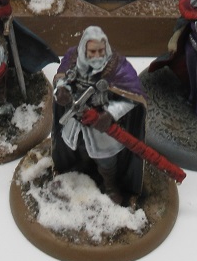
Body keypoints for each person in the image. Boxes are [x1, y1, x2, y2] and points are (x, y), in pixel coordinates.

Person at [52, 26, 147, 202]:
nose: (97, 56)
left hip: (101, 125)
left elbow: (132, 98)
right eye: (92, 51)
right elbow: (61, 79)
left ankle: (110, 185)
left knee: (106, 159)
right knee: (79, 147)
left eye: (101, 51)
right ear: (84, 49)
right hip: (76, 120)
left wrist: (110, 114)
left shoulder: (118, 68)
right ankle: (84, 168)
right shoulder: (72, 58)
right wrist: (62, 91)